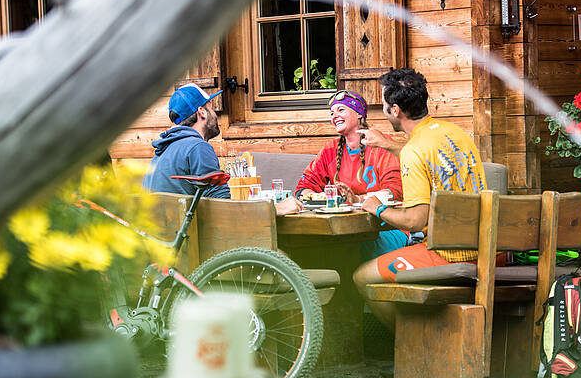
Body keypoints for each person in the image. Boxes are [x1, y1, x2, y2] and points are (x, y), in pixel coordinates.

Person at [353, 68, 487, 330]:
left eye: (383, 105)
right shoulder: (455, 133)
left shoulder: (414, 151)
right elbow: (428, 158)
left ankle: (409, 348)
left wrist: (376, 207)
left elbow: (415, 220)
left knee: (362, 276)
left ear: (395, 111)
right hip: (485, 249)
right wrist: (387, 144)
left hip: (449, 255)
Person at [144, 83, 302, 215]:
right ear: (201, 112)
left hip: (165, 244)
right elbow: (223, 210)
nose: (215, 114)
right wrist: (275, 209)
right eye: (211, 107)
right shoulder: (197, 147)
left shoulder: (163, 149)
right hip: (190, 246)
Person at [295, 90, 408, 259]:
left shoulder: (381, 144)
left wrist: (358, 199)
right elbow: (303, 188)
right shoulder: (329, 150)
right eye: (332, 113)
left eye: (341, 110)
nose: (335, 116)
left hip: (387, 228)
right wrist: (321, 198)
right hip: (342, 231)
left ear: (359, 115)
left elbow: (395, 192)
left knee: (345, 249)